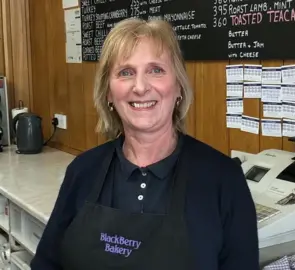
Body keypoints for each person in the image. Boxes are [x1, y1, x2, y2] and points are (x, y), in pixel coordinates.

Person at [30, 18, 259, 270]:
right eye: (126, 72)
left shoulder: (223, 179)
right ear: (108, 92)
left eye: (156, 70)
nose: (140, 87)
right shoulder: (83, 170)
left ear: (179, 85)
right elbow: (46, 265)